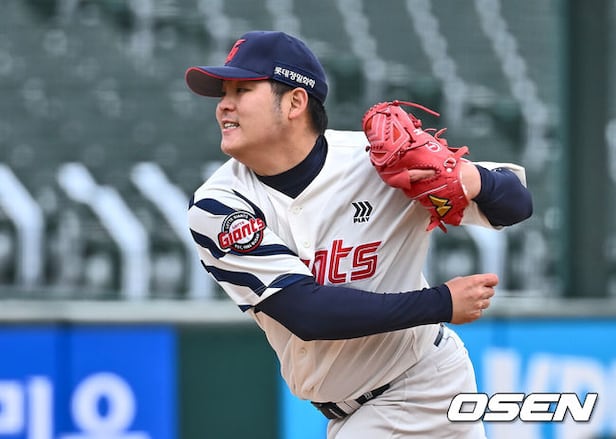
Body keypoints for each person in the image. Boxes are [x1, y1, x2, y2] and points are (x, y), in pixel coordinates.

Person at [184, 30, 532, 439]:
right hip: (360, 410)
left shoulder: (377, 161)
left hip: (417, 387)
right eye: (224, 92)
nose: (224, 105)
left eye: (242, 90)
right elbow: (307, 312)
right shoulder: (218, 206)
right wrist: (441, 302)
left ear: (295, 102)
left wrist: (467, 177)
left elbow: (516, 204)